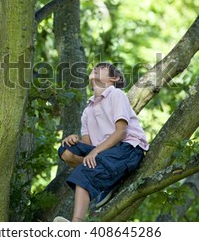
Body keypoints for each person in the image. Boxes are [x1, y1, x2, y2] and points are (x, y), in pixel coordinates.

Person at [54, 62, 149, 222]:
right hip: (104, 153)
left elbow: (121, 131)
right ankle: (106, 176)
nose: (95, 69)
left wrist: (95, 152)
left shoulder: (116, 95)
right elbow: (88, 147)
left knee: (85, 170)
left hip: (129, 148)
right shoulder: (87, 111)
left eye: (102, 68)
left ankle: (77, 225)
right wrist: (75, 139)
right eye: (94, 68)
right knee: (66, 149)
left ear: (114, 78)